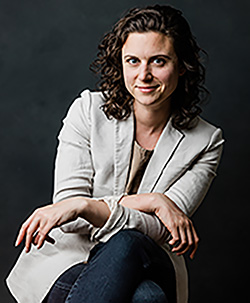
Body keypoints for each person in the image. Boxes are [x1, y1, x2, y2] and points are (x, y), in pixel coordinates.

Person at [6, 4, 224, 303]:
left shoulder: (206, 140)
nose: (143, 75)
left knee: (128, 241)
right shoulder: (87, 111)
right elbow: (71, 220)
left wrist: (85, 205)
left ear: (182, 65)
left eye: (158, 61)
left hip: (149, 259)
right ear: (120, 63)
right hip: (73, 257)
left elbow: (160, 230)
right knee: (148, 299)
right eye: (132, 61)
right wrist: (152, 201)